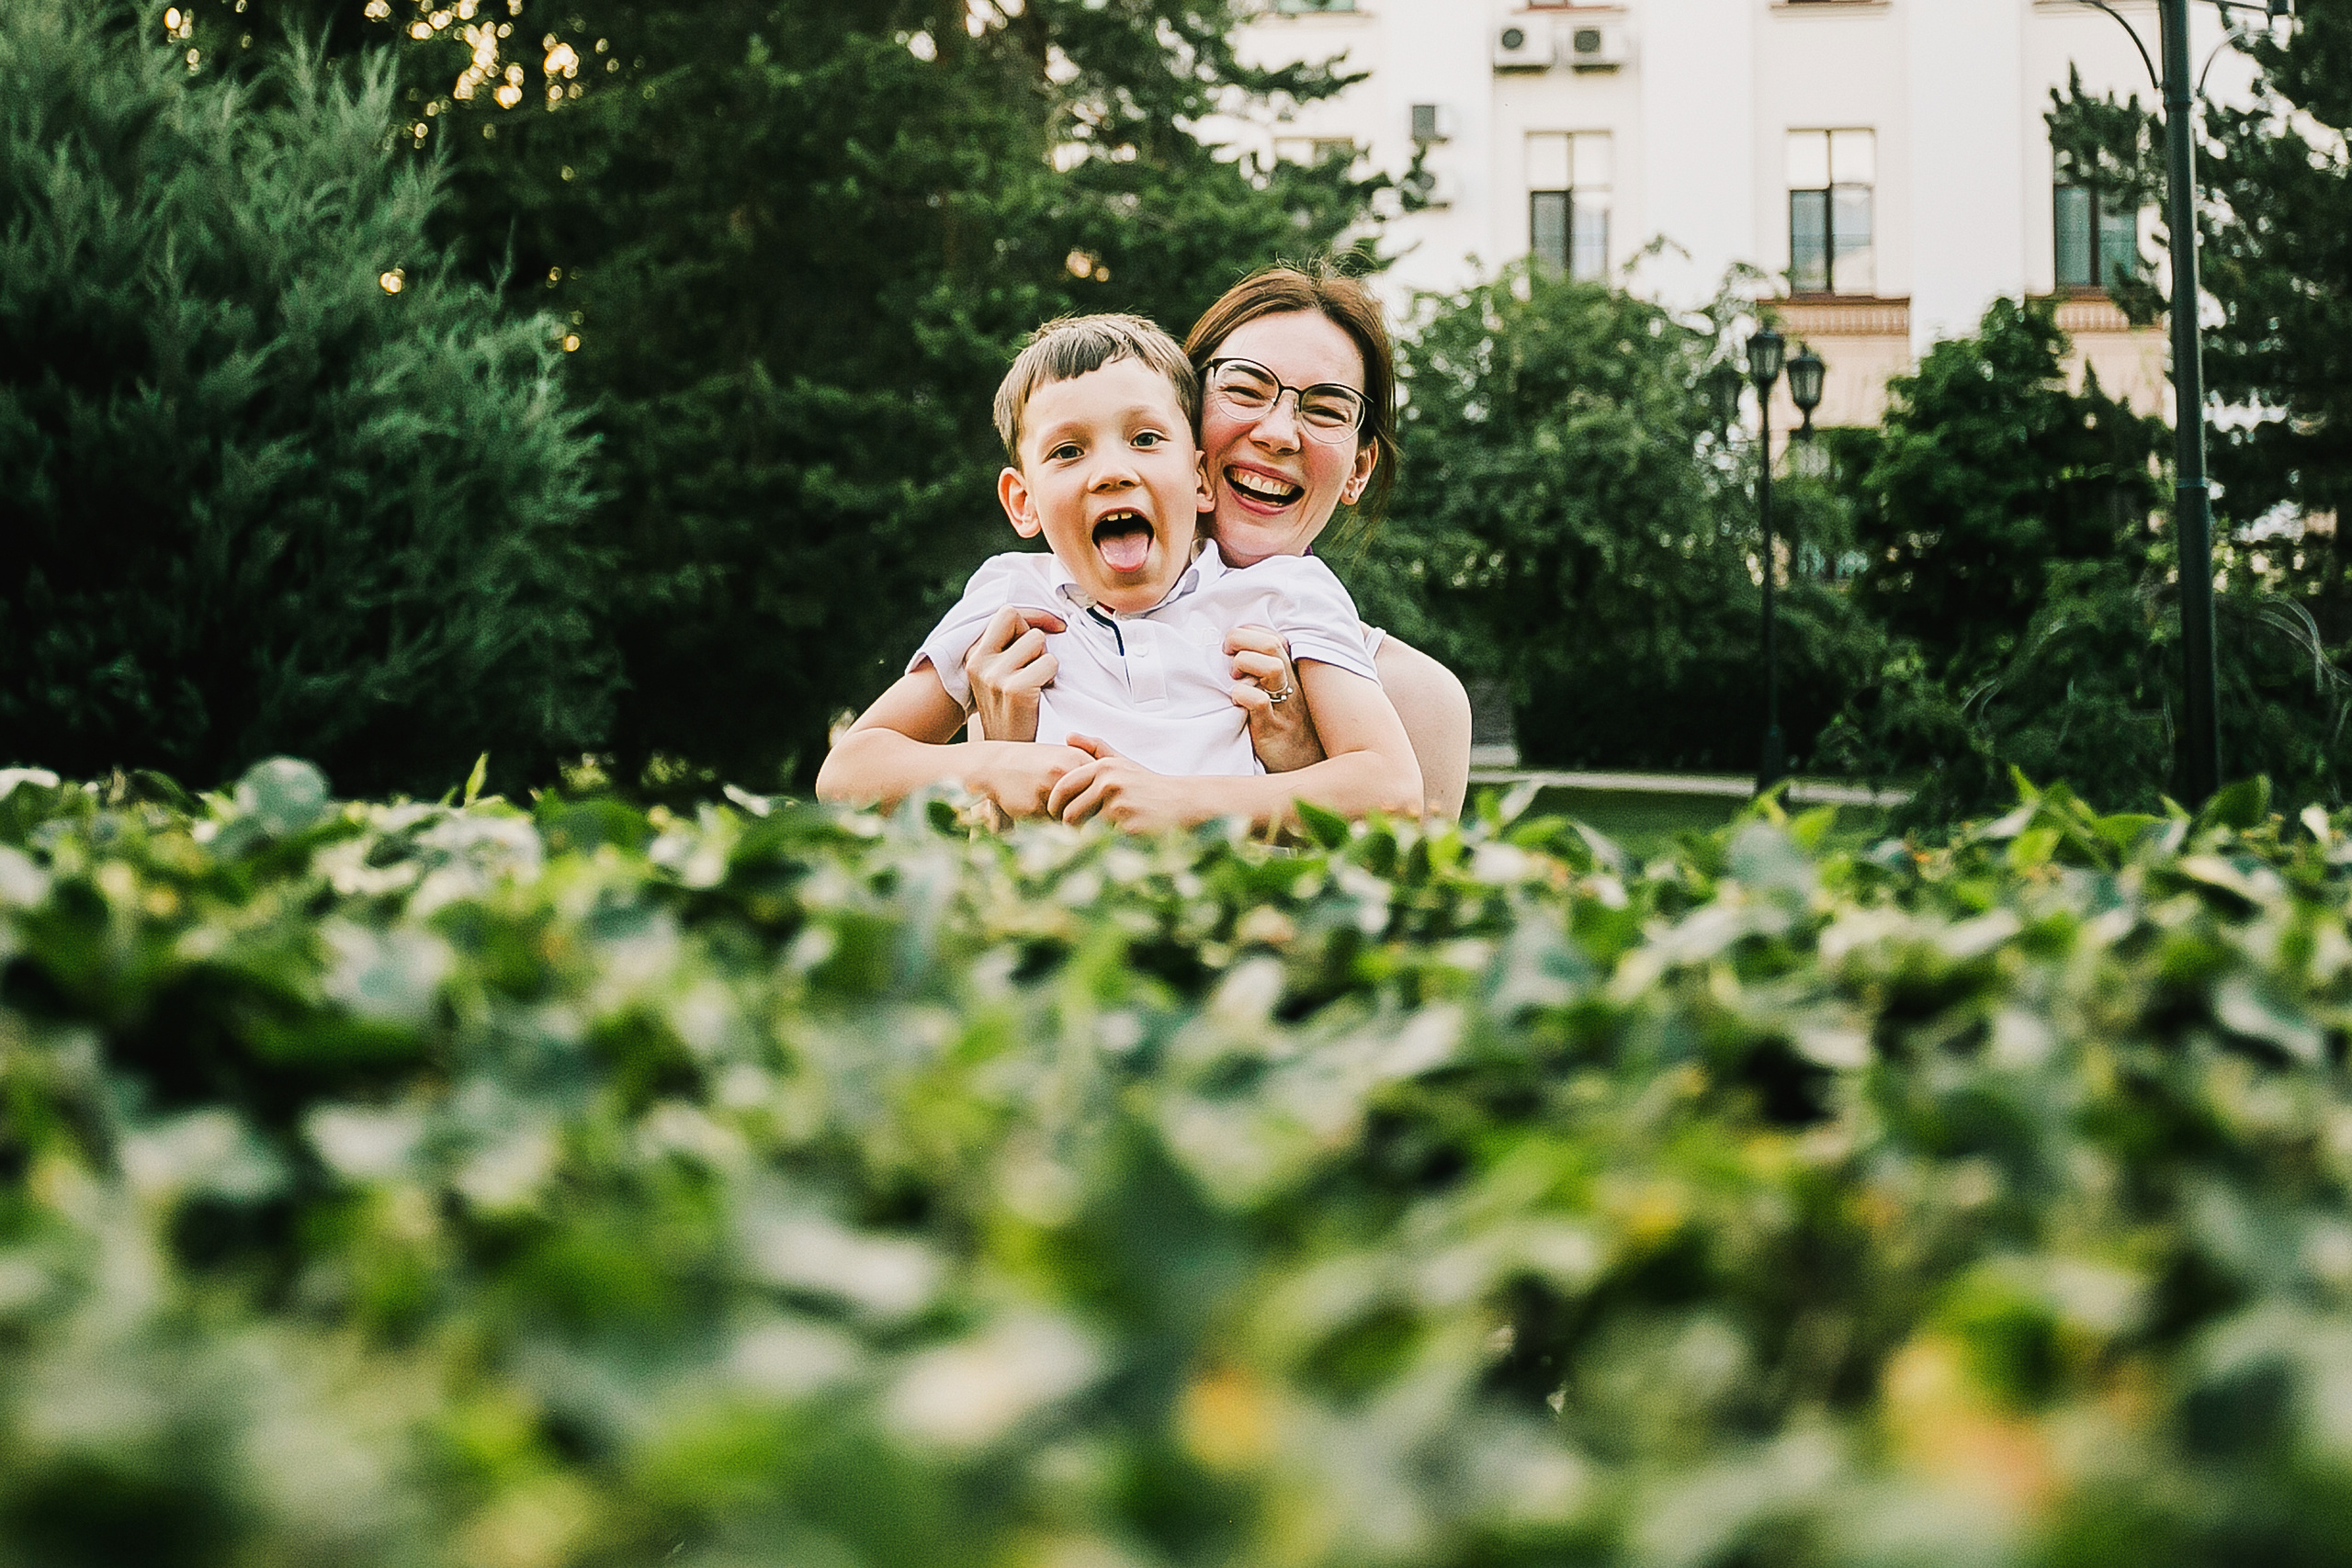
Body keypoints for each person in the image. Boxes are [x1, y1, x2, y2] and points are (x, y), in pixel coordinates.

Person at [814, 313, 1421, 832]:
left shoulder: (1287, 591)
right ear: (1022, 501)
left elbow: (1392, 787)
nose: (1111, 471)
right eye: (1068, 451)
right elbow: (848, 771)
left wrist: (1180, 804)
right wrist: (997, 766)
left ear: (1201, 477)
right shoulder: (1012, 596)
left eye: (1146, 438)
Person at [961, 265, 1474, 818]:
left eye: (1326, 410)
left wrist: (1298, 767)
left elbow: (1396, 891)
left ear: (1358, 470)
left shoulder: (1417, 698)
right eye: (1244, 389)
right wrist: (999, 764)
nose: (1278, 434)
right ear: (1186, 411)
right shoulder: (1041, 637)